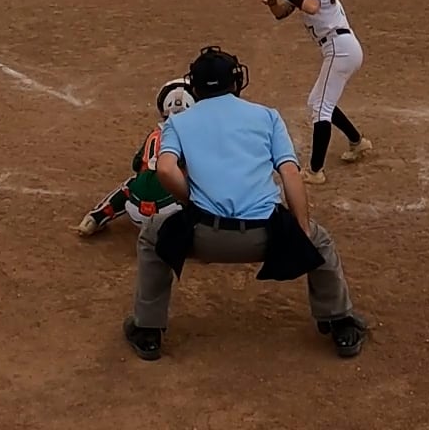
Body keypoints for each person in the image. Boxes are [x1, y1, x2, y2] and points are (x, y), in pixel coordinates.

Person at [124, 46, 368, 361]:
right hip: (266, 238)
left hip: (202, 237)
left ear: (194, 86)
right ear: (236, 81)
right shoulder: (267, 116)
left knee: (151, 237)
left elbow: (166, 170)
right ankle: (340, 322)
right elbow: (290, 175)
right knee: (320, 242)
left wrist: (192, 203)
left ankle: (147, 330)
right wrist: (302, 230)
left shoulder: (178, 123)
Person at [265, 0, 372, 183]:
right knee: (318, 101)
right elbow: (282, 13)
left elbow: (311, 7)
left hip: (339, 48)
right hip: (341, 47)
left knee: (321, 107)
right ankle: (357, 141)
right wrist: (273, 2)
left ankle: (315, 171)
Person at [79, 78, 196, 237]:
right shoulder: (194, 137)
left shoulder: (154, 135)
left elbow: (136, 165)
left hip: (136, 213)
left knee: (132, 183)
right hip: (170, 215)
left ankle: (96, 216)